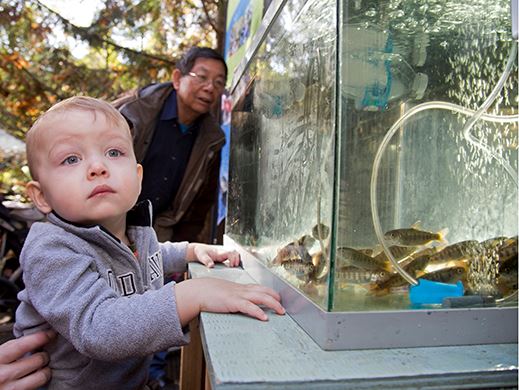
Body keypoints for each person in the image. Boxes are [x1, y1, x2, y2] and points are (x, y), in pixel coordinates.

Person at [14, 96, 285, 389]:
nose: (97, 167)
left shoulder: (133, 230)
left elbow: (149, 257)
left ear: (138, 176)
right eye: (71, 159)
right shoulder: (51, 250)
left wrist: (190, 251)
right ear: (40, 196)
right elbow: (98, 327)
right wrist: (192, 294)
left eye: (114, 152)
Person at [113, 46, 228, 245]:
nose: (210, 88)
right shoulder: (134, 112)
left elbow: (199, 207)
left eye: (219, 83)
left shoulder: (212, 140)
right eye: (202, 77)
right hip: (109, 226)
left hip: (157, 239)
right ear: (177, 79)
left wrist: (183, 249)